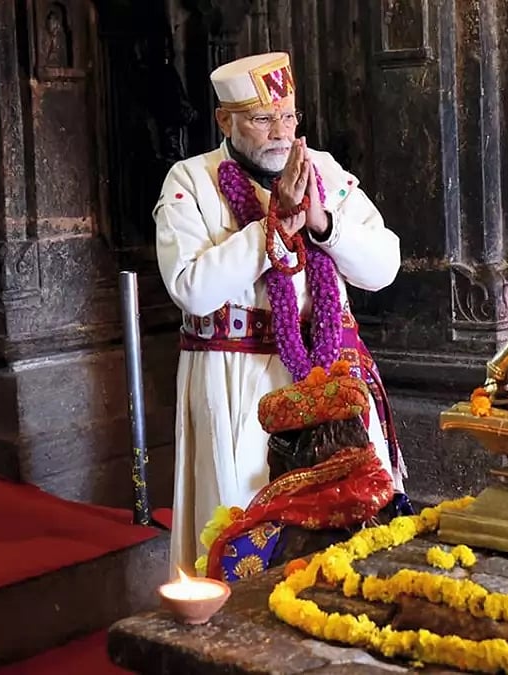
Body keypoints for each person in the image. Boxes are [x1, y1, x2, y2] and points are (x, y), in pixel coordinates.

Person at [153, 52, 408, 571]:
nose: (281, 133)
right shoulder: (191, 181)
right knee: (244, 522)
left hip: (331, 373)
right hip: (236, 379)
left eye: (289, 117)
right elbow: (191, 289)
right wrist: (271, 231)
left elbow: (384, 267)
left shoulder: (325, 171)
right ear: (225, 121)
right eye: (263, 119)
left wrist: (323, 224)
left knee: (353, 526)